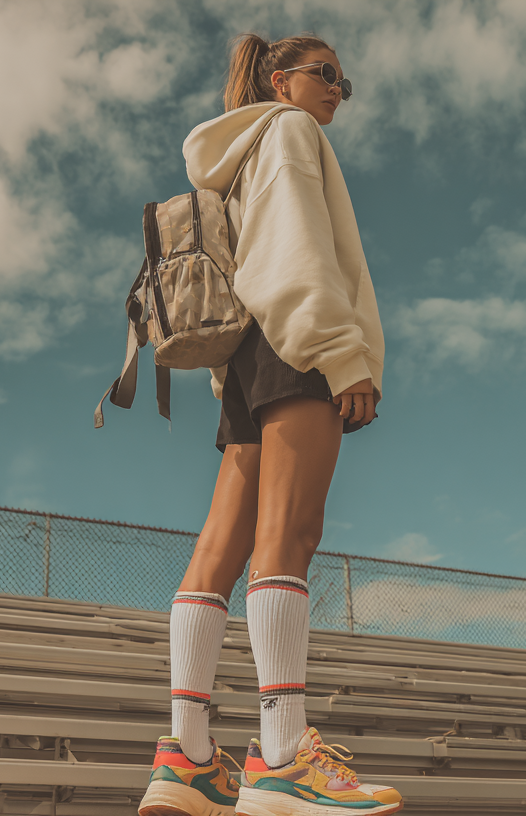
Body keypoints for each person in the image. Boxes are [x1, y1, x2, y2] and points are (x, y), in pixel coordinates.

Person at [137, 32, 402, 816]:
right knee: (290, 536)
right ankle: (283, 757)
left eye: (344, 81)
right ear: (280, 81)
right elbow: (294, 251)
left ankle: (187, 758)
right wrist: (341, 353)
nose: (338, 89)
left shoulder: (239, 154)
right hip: (299, 345)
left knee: (217, 552)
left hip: (252, 358)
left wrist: (241, 380)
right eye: (326, 74)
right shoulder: (288, 131)